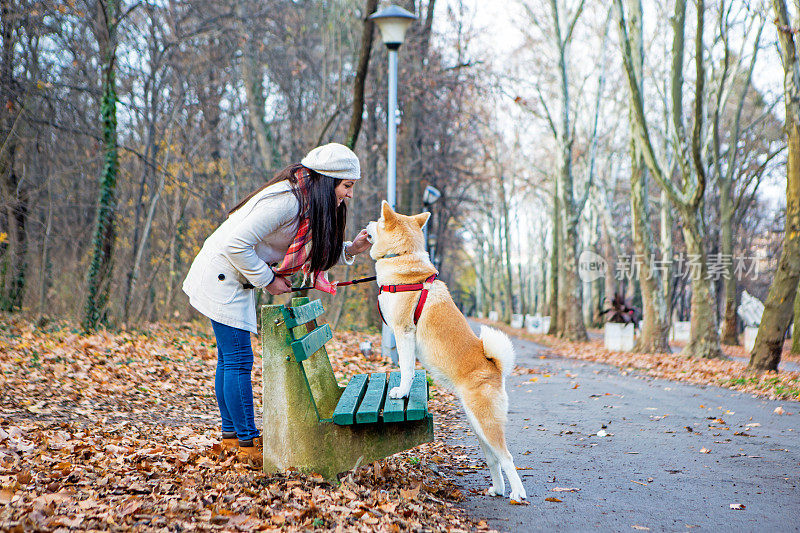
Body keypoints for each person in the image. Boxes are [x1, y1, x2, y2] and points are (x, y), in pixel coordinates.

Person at [182, 143, 371, 467]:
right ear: (328, 181)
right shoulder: (288, 201)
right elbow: (234, 243)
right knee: (238, 359)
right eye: (347, 186)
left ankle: (233, 438)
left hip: (234, 277)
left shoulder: (307, 202)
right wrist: (267, 280)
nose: (349, 195)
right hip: (220, 275)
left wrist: (351, 249)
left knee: (230, 360)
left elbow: (315, 250)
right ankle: (246, 442)